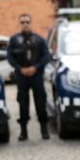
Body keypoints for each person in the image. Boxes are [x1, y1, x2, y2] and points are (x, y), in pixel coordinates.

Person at [7, 13, 50, 141]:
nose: (25, 24)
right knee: (23, 104)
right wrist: (20, 69)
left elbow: (46, 56)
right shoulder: (14, 40)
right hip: (22, 77)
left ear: (31, 23)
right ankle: (23, 132)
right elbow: (10, 57)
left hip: (36, 76)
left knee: (41, 103)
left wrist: (35, 67)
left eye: (27, 22)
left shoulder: (40, 39)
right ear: (19, 24)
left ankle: (44, 129)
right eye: (22, 22)